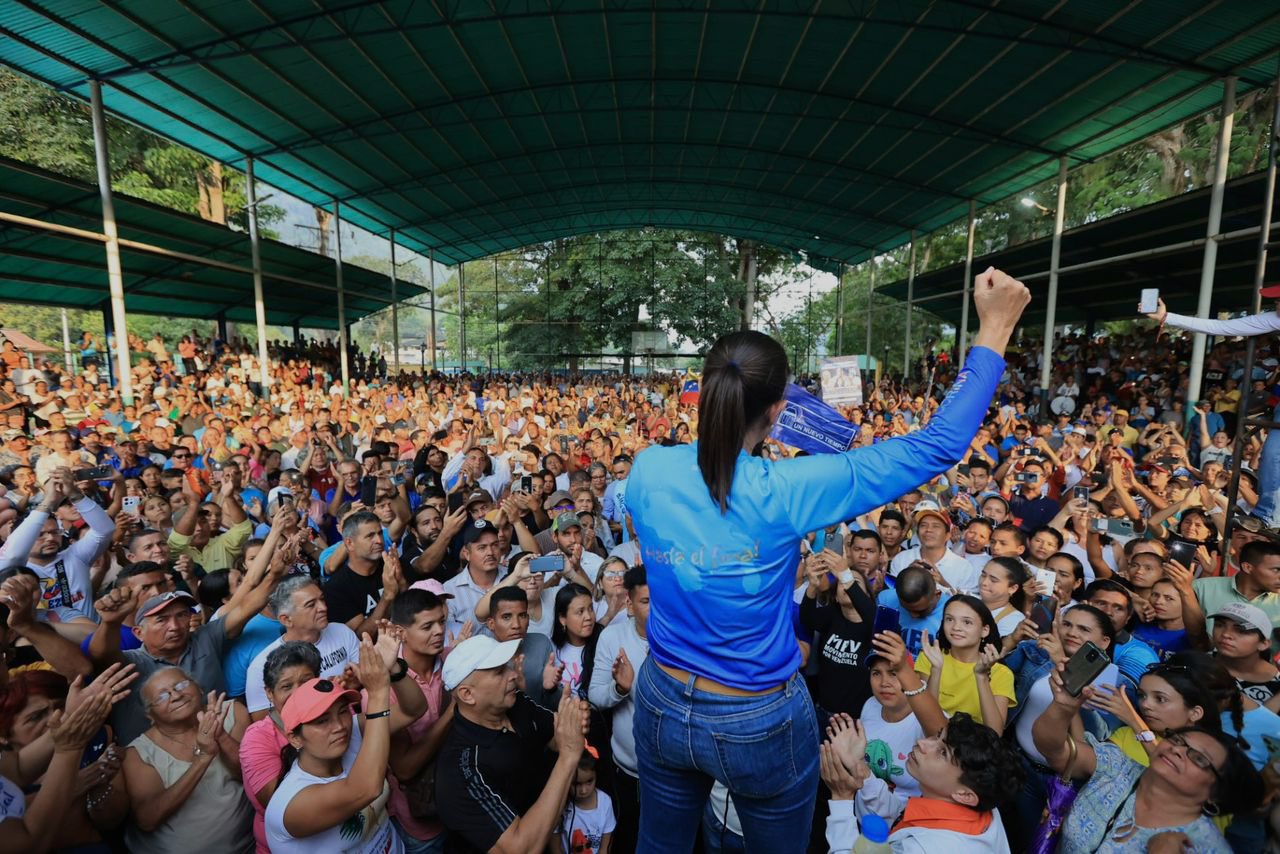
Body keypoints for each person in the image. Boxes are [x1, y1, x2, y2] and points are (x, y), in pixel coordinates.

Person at [625, 268, 1028, 848]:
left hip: (661, 693)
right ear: (778, 408)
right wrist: (994, 328)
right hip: (753, 713)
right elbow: (938, 445)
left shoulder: (647, 468)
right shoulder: (788, 488)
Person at [1033, 657, 1264, 853]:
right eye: (1177, 740)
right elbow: (1055, 750)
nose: (1177, 750)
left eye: (1198, 758)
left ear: (1214, 793)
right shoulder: (1118, 766)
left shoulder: (1205, 846)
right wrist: (1063, 706)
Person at [434, 635, 590, 854]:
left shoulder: (515, 703)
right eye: (499, 672)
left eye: (507, 666)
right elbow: (521, 849)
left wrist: (572, 720)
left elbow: (557, 736)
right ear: (467, 694)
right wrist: (569, 757)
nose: (514, 674)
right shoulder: (462, 769)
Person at [263, 635, 404, 853]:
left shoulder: (351, 735)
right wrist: (377, 694)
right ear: (295, 738)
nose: (339, 726)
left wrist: (394, 669)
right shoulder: (289, 805)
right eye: (321, 721)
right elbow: (366, 789)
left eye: (342, 712)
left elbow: (413, 710)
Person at [822, 711, 1025, 852]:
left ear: (964, 795)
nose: (922, 742)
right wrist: (861, 769)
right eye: (937, 737)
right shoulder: (982, 807)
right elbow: (902, 815)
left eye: (942, 753)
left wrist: (841, 798)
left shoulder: (924, 849)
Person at [121, 668, 253, 853]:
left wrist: (220, 735)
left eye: (181, 685)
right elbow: (147, 820)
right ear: (150, 716)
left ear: (199, 688)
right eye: (162, 696)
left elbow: (252, 778)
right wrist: (203, 757)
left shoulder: (232, 711)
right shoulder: (138, 753)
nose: (176, 696)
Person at [589, 564, 650, 852]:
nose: (657, 609)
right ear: (629, 603)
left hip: (680, 772)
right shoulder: (612, 638)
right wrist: (620, 689)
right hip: (629, 769)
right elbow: (596, 695)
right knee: (631, 836)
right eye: (647, 602)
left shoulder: (685, 639)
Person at [914, 594, 1015, 732]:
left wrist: (982, 677)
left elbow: (995, 732)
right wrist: (936, 670)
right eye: (949, 619)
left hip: (971, 749)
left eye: (967, 622)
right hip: (930, 739)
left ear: (984, 630)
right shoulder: (930, 657)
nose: (956, 627)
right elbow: (925, 720)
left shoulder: (1001, 673)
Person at [553, 753, 616, 854]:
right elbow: (555, 848)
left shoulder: (605, 803)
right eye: (576, 784)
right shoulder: (560, 806)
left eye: (589, 781)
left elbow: (605, 847)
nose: (583, 790)